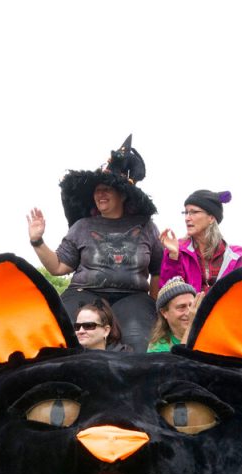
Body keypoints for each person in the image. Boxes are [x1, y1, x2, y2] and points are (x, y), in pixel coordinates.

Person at [27, 135, 161, 351]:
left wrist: (152, 305)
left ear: (123, 194)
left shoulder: (146, 226)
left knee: (139, 342)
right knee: (62, 338)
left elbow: (157, 271)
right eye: (97, 190)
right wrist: (37, 241)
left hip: (133, 296)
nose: (100, 194)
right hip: (84, 292)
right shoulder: (82, 226)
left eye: (107, 189)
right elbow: (58, 267)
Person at [159, 189, 242, 293]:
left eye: (194, 212)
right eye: (185, 212)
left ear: (211, 218)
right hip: (189, 309)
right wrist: (173, 257)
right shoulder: (176, 250)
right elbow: (168, 295)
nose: (187, 218)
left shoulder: (233, 256)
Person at [147, 277, 198, 352]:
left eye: (192, 305)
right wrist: (191, 326)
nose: (189, 312)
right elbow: (181, 362)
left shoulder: (206, 336)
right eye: (181, 307)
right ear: (164, 312)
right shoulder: (157, 348)